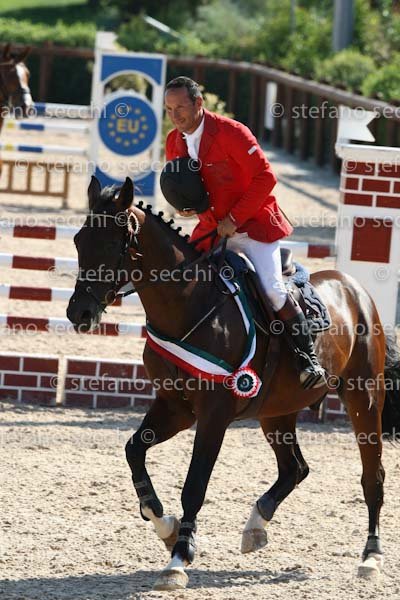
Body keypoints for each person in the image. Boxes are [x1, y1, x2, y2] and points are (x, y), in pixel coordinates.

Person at [163, 76, 326, 389]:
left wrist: (235, 218)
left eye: (180, 108)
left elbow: (265, 177)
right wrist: (186, 208)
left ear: (199, 103)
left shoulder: (232, 132)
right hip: (212, 229)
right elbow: (187, 186)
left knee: (273, 290)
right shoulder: (174, 141)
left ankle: (307, 360)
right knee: (185, 281)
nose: (175, 115)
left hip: (254, 226)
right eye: (169, 110)